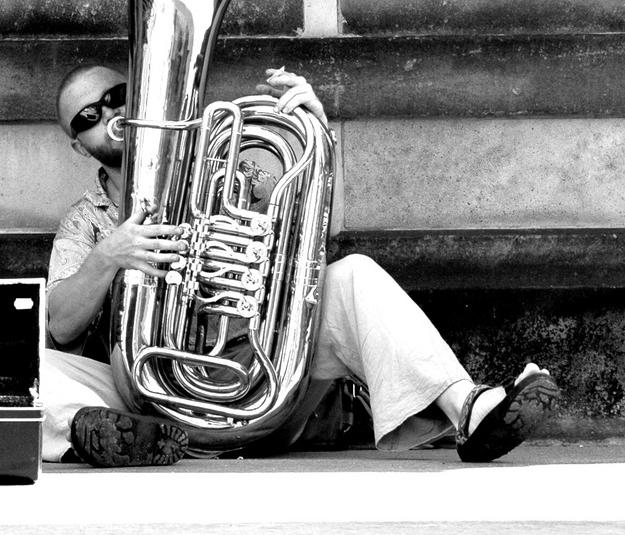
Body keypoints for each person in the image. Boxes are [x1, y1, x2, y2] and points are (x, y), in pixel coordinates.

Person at [41, 63, 561, 467]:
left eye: (118, 97)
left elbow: (319, 234)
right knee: (33, 369)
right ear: (76, 143)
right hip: (145, 398)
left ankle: (469, 409)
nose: (110, 114)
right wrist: (107, 257)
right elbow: (60, 327)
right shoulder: (83, 222)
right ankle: (108, 439)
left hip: (261, 378)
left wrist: (317, 135)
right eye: (88, 116)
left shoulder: (222, 169)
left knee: (353, 273)